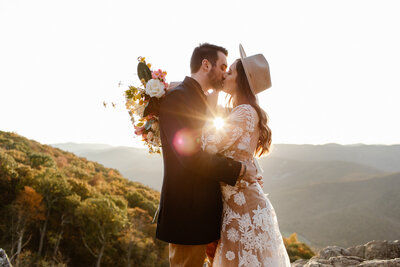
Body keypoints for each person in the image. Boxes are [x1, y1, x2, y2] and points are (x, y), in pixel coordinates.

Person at [156, 43, 259, 267]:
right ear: (205, 64)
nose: (225, 73)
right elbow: (191, 157)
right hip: (187, 215)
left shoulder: (196, 98)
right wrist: (240, 170)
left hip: (205, 216)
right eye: (223, 66)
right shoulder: (180, 99)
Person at [201, 45, 291, 266]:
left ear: (240, 81)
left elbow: (208, 144)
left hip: (243, 212)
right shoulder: (246, 111)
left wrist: (206, 110)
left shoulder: (243, 112)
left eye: (229, 72)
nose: (224, 75)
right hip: (240, 206)